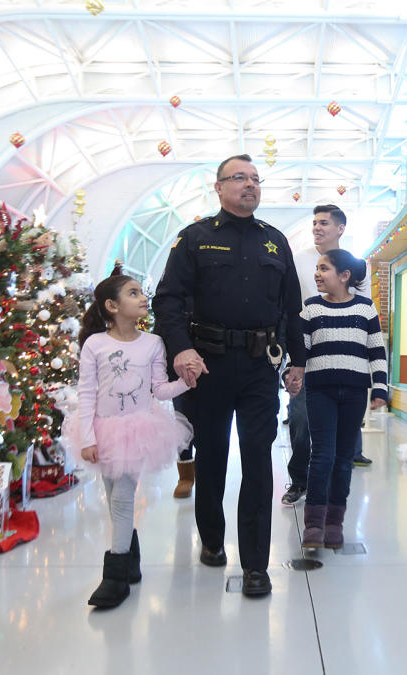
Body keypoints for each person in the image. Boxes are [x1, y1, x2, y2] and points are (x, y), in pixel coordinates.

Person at [152, 154, 305, 598]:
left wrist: (297, 360)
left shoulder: (275, 242)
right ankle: (213, 538)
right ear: (218, 188)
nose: (250, 185)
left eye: (256, 179)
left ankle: (256, 564)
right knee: (213, 455)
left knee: (259, 459)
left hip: (259, 366)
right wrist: (180, 348)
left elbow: (290, 307)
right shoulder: (195, 238)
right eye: (239, 178)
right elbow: (168, 300)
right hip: (207, 365)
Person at [77, 273, 195, 609]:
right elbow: (87, 393)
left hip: (137, 430)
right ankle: (131, 563)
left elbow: (159, 390)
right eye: (133, 293)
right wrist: (87, 437)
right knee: (113, 495)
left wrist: (186, 381)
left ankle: (114, 576)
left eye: (142, 292)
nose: (143, 298)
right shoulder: (95, 345)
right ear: (112, 306)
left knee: (123, 498)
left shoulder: (153, 343)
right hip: (103, 429)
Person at [282, 205, 374, 507]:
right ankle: (298, 480)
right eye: (314, 223)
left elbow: (364, 307)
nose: (317, 228)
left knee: (340, 430)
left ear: (340, 229)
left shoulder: (357, 264)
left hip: (345, 356)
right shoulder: (299, 261)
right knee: (299, 419)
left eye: (324, 223)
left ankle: (331, 488)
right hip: (307, 353)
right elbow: (290, 304)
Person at [300, 249, 388, 549]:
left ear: (344, 275)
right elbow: (301, 350)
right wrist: (292, 371)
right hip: (319, 390)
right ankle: (313, 523)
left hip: (353, 393)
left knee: (343, 457)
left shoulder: (365, 308)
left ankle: (334, 521)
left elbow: (376, 351)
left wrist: (380, 388)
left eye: (324, 268)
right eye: (317, 268)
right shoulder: (311, 308)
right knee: (322, 455)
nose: (317, 274)